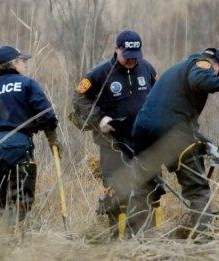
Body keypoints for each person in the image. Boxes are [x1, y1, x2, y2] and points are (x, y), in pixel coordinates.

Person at [131, 48, 219, 240]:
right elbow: (200, 81)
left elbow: (173, 117)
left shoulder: (175, 72)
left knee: (145, 188)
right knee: (197, 189)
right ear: (217, 67)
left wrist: (206, 145)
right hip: (172, 134)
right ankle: (203, 239)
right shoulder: (201, 64)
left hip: (142, 133)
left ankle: (140, 239)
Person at [71, 30, 158, 237]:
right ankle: (114, 240)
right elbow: (78, 99)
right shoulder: (100, 73)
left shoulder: (147, 69)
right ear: (117, 49)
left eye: (135, 57)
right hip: (112, 143)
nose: (131, 61)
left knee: (148, 188)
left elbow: (158, 96)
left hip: (142, 141)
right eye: (126, 56)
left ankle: (146, 239)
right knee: (117, 190)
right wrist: (99, 118)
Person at [0, 45, 60, 222]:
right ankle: (17, 240)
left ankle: (0, 240)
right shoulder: (27, 83)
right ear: (14, 63)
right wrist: (53, 140)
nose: (25, 64)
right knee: (20, 200)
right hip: (16, 146)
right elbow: (47, 116)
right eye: (22, 61)